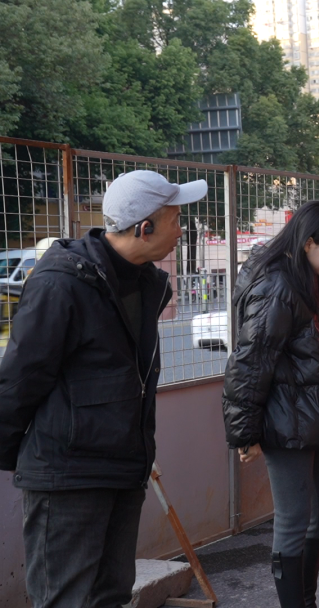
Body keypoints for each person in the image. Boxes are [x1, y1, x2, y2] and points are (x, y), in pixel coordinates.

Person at [0, 170, 202, 607]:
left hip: (122, 468)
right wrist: (16, 459)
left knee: (110, 595)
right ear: (144, 227)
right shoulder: (62, 282)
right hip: (66, 475)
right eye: (174, 220)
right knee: (66, 599)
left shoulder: (144, 282)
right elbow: (20, 378)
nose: (181, 230)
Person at [221, 200, 319, 608]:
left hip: (309, 417)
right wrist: (244, 432)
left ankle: (305, 599)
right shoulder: (277, 286)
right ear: (309, 242)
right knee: (295, 519)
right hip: (285, 421)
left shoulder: (306, 280)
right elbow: (250, 360)